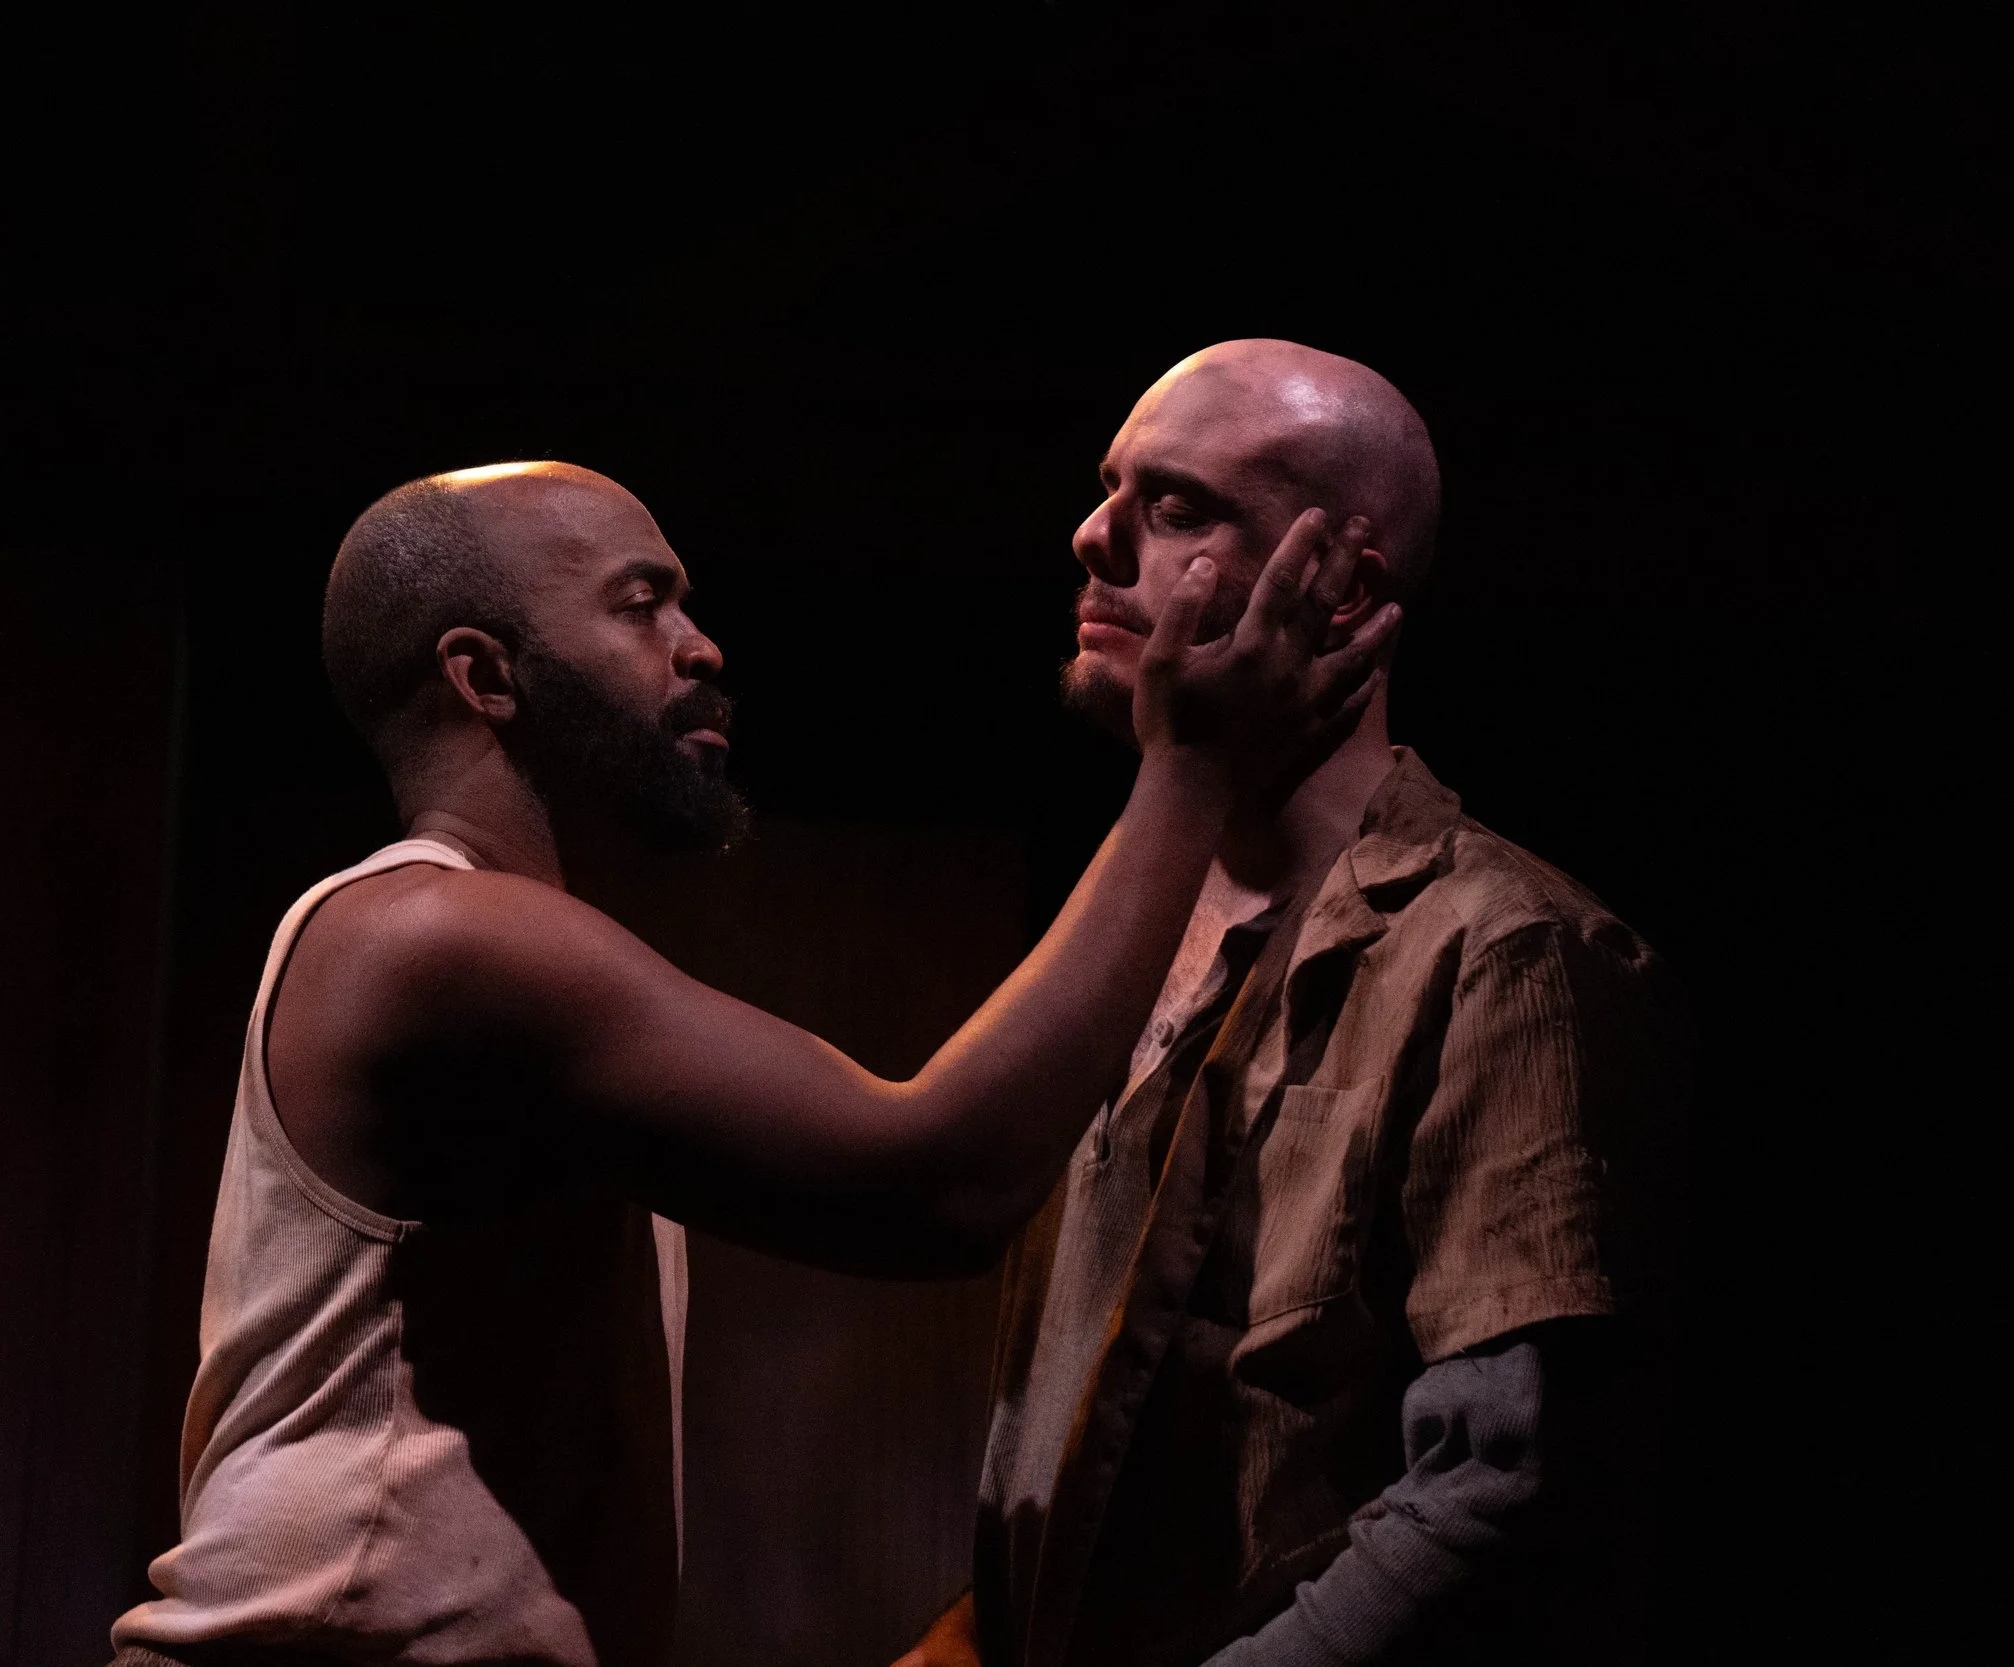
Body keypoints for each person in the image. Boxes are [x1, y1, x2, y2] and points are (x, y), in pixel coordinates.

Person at [108, 458, 1398, 1667]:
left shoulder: (515, 965)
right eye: (642, 604)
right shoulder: (431, 938)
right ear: (485, 675)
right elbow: (934, 1182)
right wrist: (1192, 767)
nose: (702, 644)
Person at [900, 341, 1682, 1667]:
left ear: (1337, 582)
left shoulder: (1501, 950)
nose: (1093, 538)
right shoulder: (1121, 949)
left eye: (1180, 505)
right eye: (1109, 489)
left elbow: (1495, 1489)